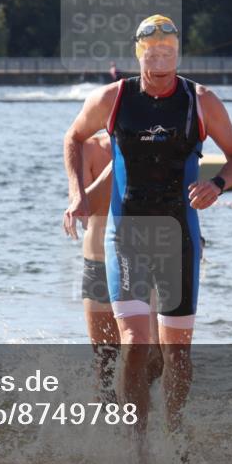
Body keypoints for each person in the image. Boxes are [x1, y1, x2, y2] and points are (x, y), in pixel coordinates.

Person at [63, 14, 232, 454]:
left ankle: (176, 428)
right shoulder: (113, 98)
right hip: (127, 234)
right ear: (140, 53)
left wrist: (217, 184)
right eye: (152, 52)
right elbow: (72, 136)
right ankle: (136, 445)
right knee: (133, 342)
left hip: (179, 236)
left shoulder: (201, 101)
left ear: (178, 53)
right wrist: (77, 195)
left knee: (177, 352)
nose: (161, 60)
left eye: (169, 51)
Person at [79, 132, 163, 402]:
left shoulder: (154, 143)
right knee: (106, 361)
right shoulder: (88, 149)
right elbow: (86, 206)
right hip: (100, 263)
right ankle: (106, 436)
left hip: (144, 263)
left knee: (155, 358)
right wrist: (120, 161)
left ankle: (141, 422)